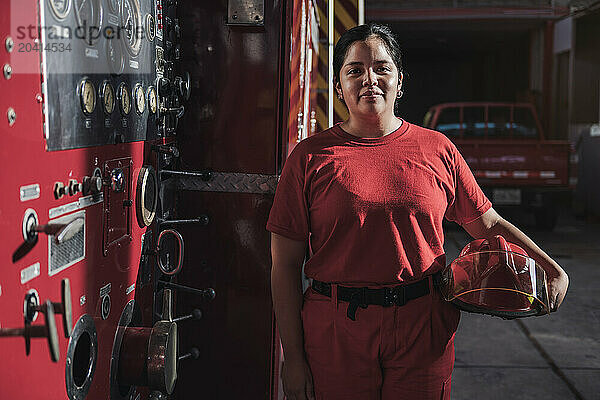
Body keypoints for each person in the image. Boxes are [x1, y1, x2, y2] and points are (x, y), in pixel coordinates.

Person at [267, 23, 568, 400]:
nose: (369, 79)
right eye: (355, 70)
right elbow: (284, 265)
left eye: (381, 67)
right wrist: (292, 357)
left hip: (422, 326)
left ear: (400, 80)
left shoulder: (437, 149)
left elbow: (487, 224)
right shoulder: (309, 157)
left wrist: (549, 267)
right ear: (339, 85)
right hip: (335, 329)